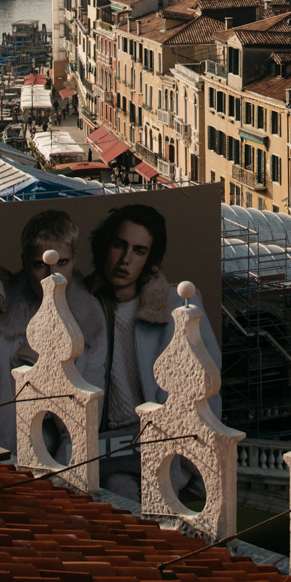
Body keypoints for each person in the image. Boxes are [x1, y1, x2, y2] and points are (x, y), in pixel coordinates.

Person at [82, 203, 221, 501]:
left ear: (150, 259)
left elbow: (209, 382)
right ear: (105, 244)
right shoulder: (80, 302)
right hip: (105, 443)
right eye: (119, 245)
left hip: (162, 437)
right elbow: (24, 275)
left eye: (139, 251)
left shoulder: (178, 305)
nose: (125, 259)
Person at [0, 208, 105, 455]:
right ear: (24, 263)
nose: (51, 276)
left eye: (61, 263)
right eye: (39, 265)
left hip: (53, 470)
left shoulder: (92, 321)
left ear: (75, 258)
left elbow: (88, 417)